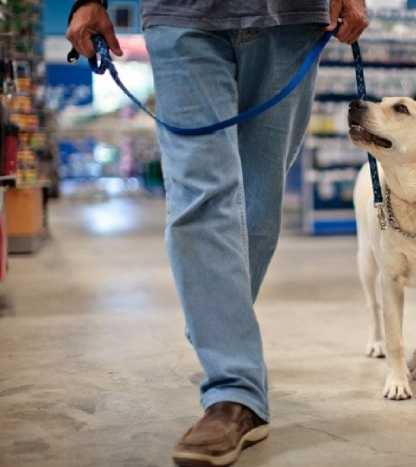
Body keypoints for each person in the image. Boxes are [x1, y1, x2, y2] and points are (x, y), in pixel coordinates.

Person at [66, 1, 368, 465]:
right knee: (201, 196)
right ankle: (234, 391)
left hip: (290, 17)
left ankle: (217, 326)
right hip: (180, 16)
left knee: (258, 205)